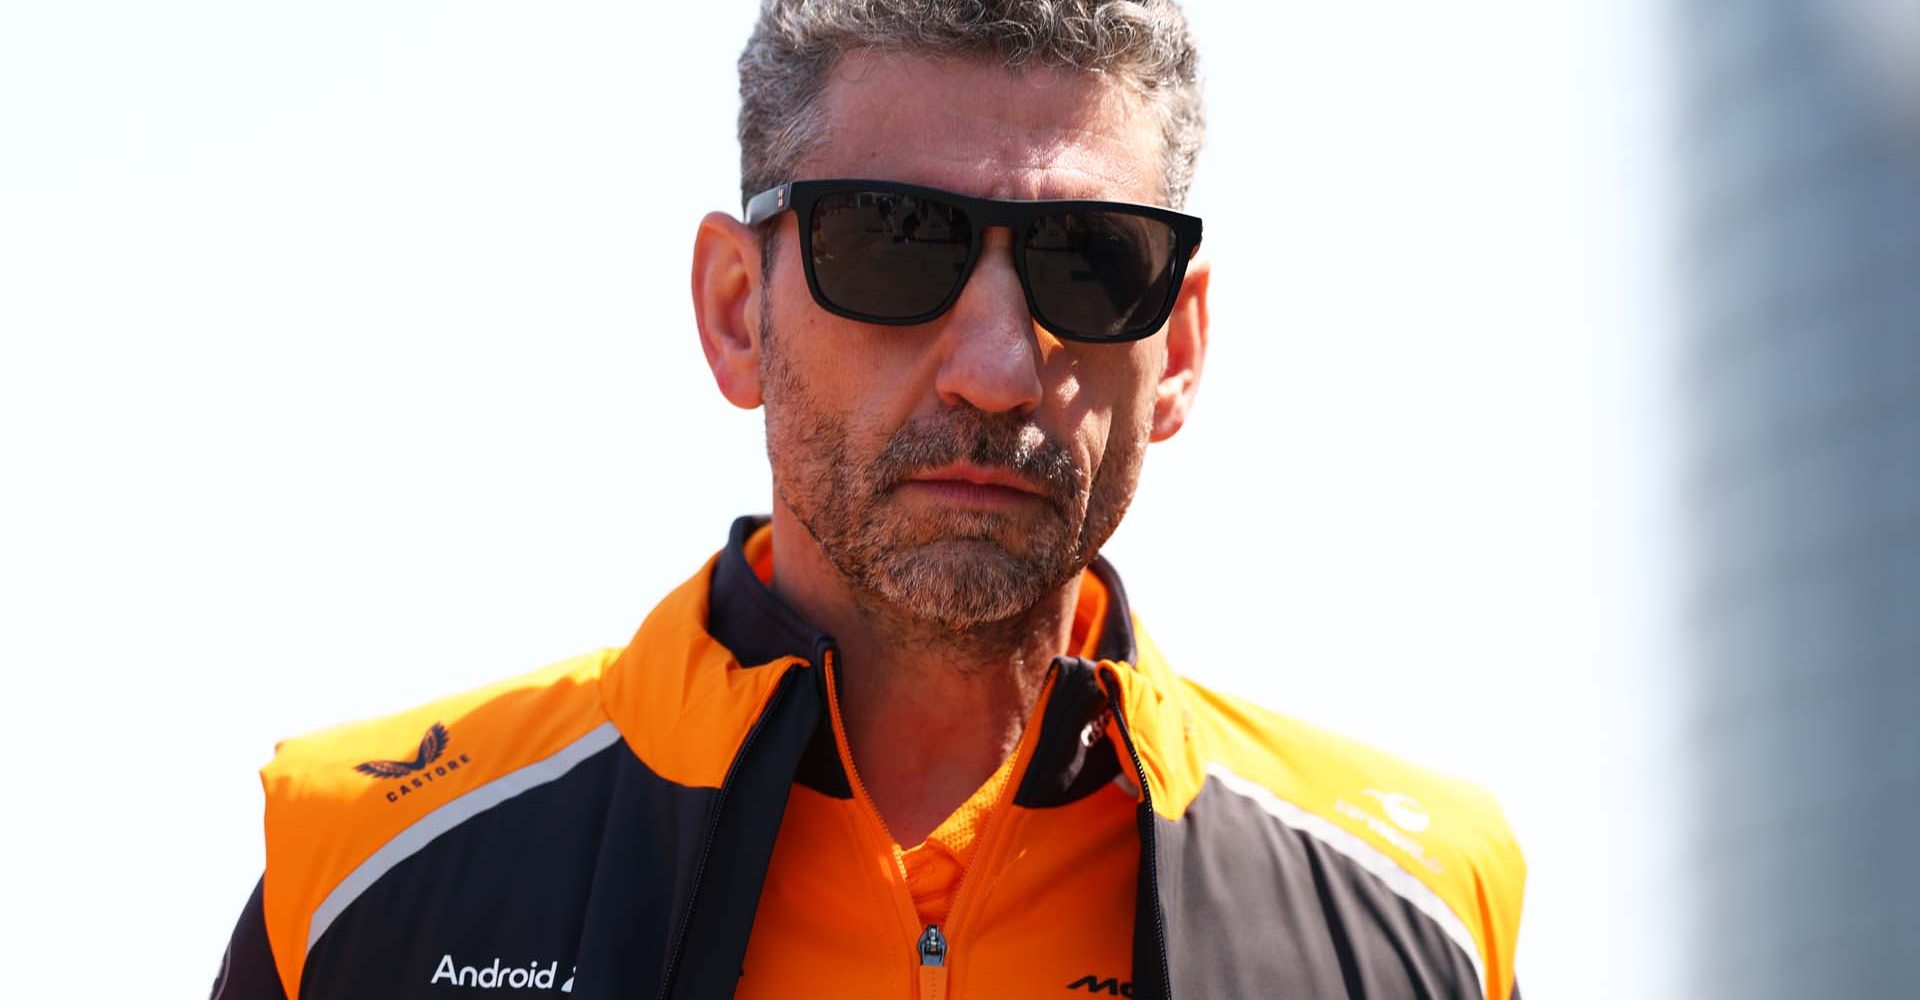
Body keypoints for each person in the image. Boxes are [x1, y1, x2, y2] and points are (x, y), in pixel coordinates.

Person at [212, 2, 1525, 998]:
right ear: (738, 312)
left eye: (1089, 264)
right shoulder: (364, 877)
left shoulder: (1425, 911)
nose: (999, 365)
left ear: (1175, 350)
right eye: (894, 240)